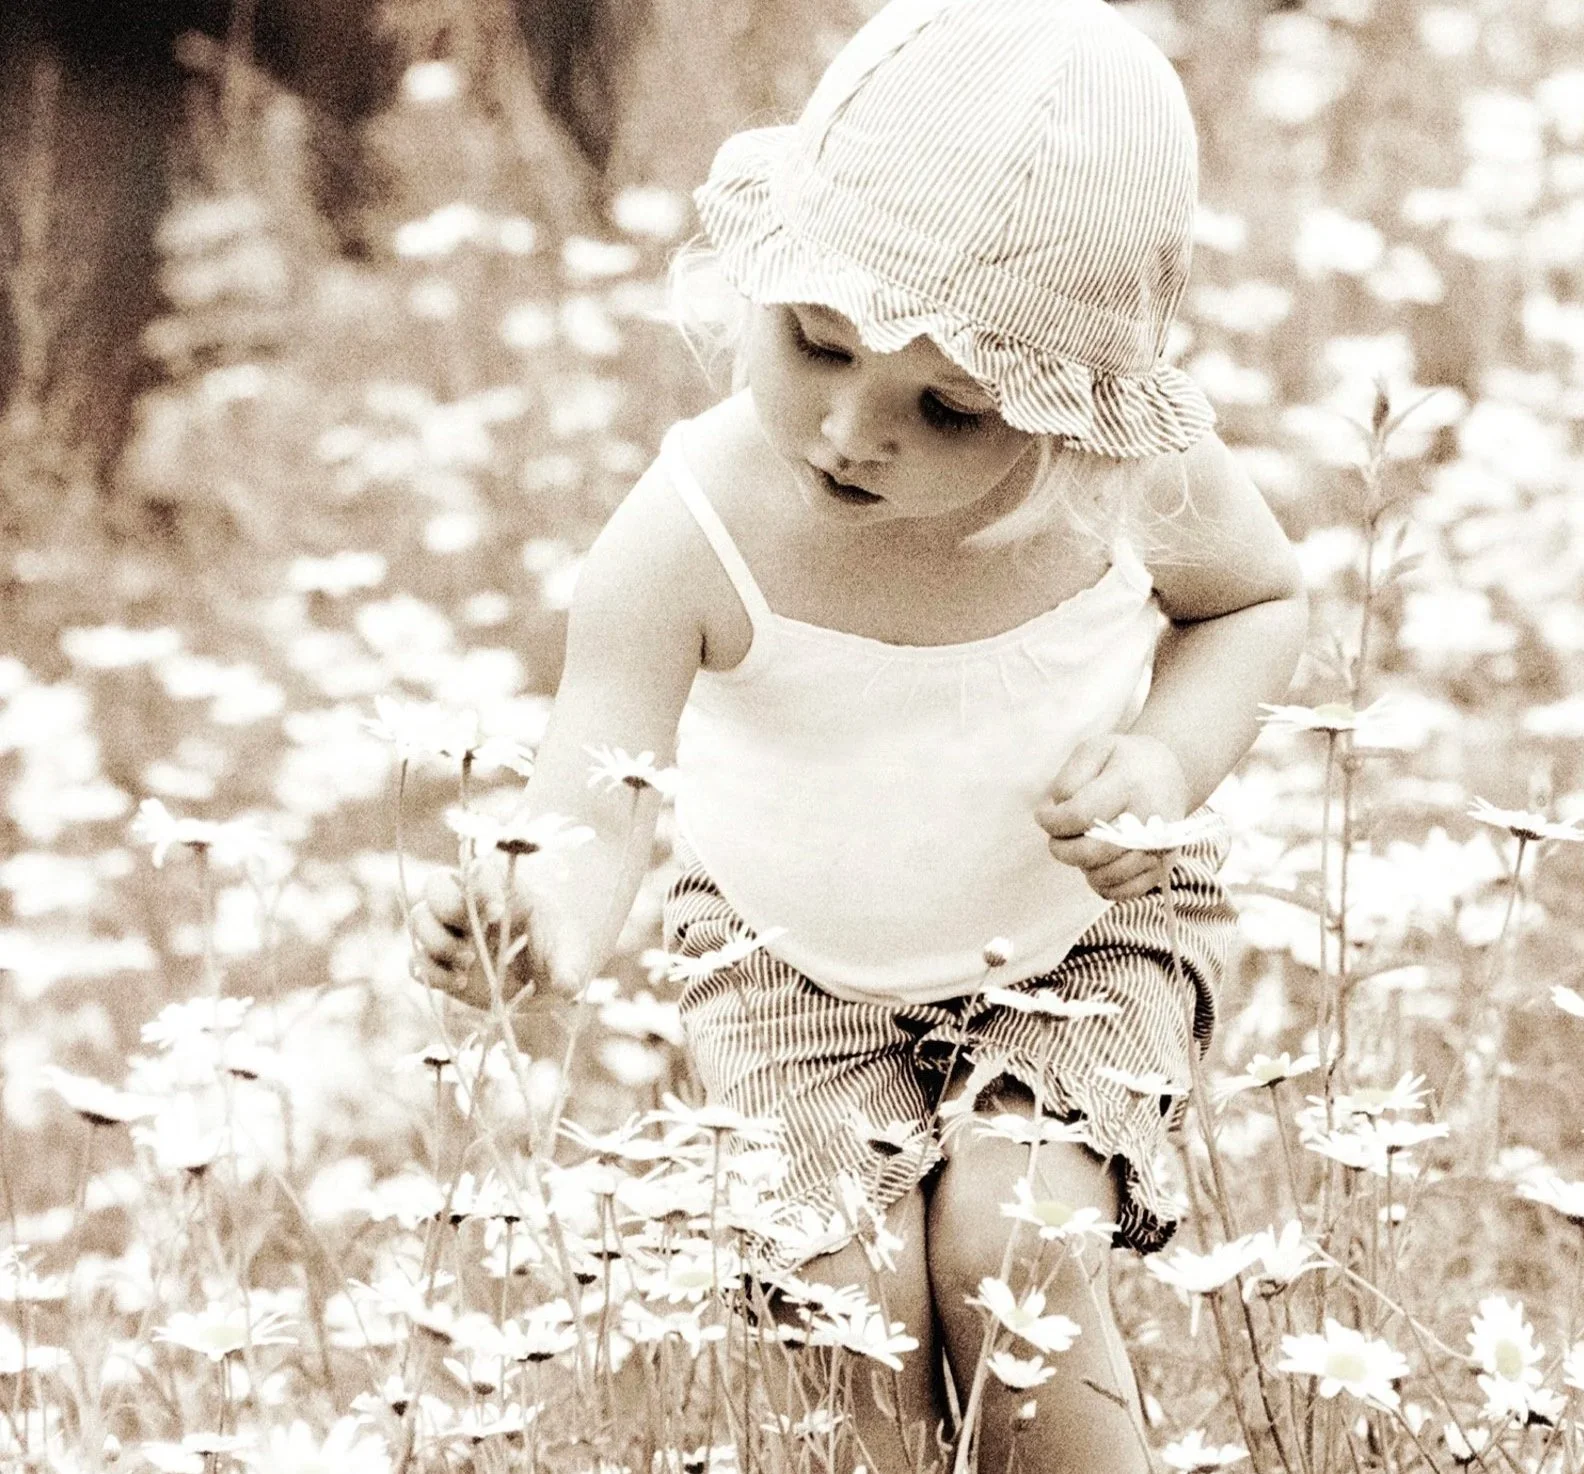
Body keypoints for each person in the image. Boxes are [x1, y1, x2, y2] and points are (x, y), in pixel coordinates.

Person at [411, 0, 1307, 1468]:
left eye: (947, 409)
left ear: (1067, 410)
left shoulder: (1122, 484)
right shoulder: (684, 533)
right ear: (758, 280)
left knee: (1015, 1251)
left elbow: (1256, 602)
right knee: (845, 1293)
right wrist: (541, 934)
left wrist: (1162, 765)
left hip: (1086, 934)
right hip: (781, 957)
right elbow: (600, 780)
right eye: (814, 343)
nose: (849, 428)